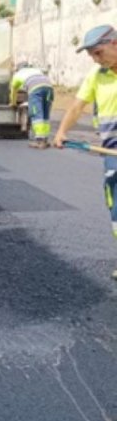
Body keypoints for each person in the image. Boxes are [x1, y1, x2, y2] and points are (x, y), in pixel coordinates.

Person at [54, 24, 117, 279]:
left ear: (114, 44)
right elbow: (76, 106)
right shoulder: (97, 75)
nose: (95, 59)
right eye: (92, 54)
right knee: (116, 208)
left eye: (98, 52)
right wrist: (61, 132)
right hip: (111, 153)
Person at [9, 62, 54, 148]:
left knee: (36, 113)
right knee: (45, 114)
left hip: (35, 89)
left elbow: (14, 92)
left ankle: (39, 141)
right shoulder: (37, 70)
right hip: (49, 89)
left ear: (18, 69)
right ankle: (45, 139)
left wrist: (13, 103)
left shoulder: (17, 75)